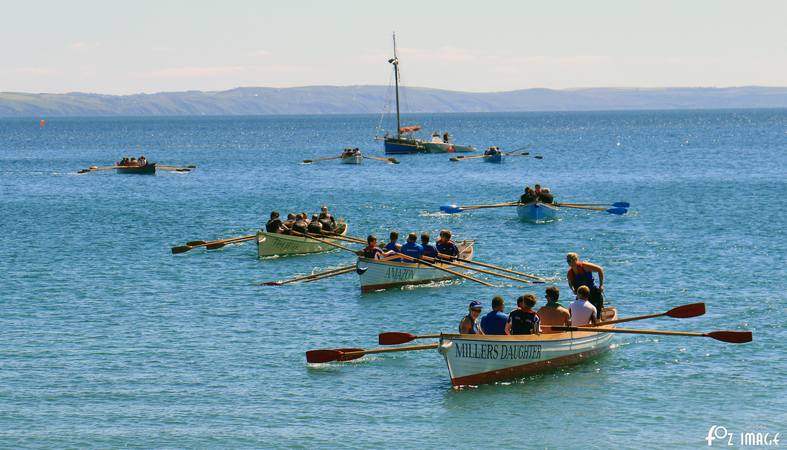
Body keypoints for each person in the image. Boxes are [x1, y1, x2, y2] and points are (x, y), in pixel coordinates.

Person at [566, 252, 605, 318]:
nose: (568, 263)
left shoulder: (585, 266)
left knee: (597, 309)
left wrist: (601, 285)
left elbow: (600, 270)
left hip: (592, 291)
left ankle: (598, 318)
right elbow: (570, 284)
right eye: (567, 261)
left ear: (575, 260)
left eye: (570, 260)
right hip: (581, 295)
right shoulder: (570, 272)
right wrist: (573, 290)